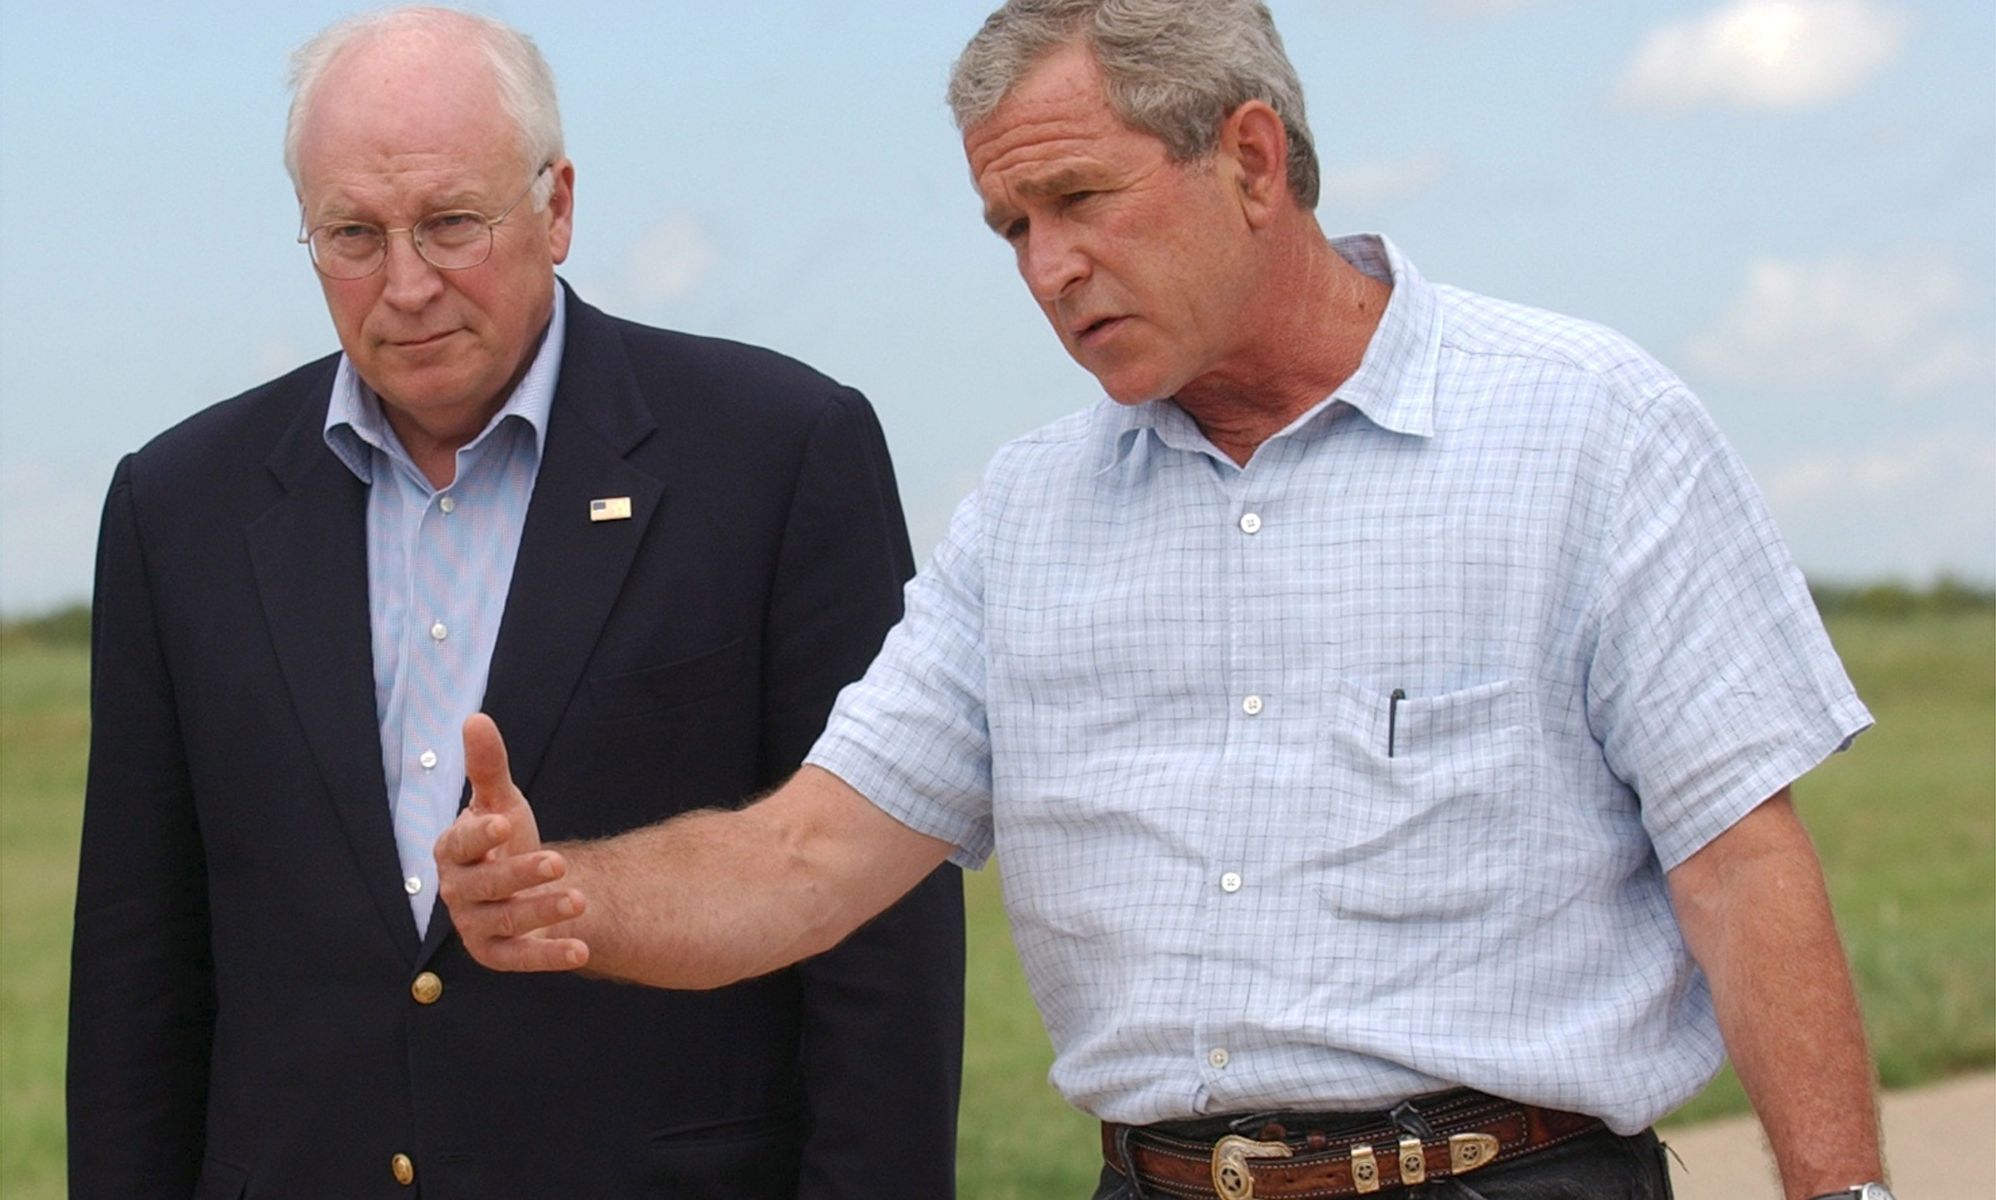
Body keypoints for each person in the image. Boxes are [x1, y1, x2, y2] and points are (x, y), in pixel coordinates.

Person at [437, 2, 1892, 1197]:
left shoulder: (1589, 428)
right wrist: (573, 895)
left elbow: (1740, 867)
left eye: (1080, 198)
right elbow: (806, 858)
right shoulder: (1024, 515)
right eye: (1011, 225)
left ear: (1253, 158)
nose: (1050, 267)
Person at [66, 7, 963, 1198]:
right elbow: (141, 962)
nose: (406, 284)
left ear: (558, 207)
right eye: (351, 234)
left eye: (450, 224)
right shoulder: (177, 505)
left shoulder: (780, 453)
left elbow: (879, 944)